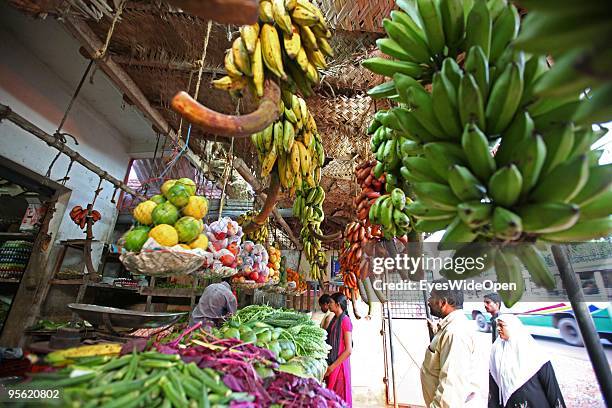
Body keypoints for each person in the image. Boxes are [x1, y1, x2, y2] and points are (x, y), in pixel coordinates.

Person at [421, 281, 483, 407]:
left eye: (432, 297)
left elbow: (451, 386)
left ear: (443, 302)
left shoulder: (455, 332)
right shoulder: (450, 328)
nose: (428, 301)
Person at [489, 314, 566, 408]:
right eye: (497, 325)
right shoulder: (496, 350)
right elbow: (494, 385)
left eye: (501, 325)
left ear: (514, 328)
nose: (498, 328)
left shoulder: (534, 353)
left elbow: (551, 387)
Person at [324, 292, 353, 407]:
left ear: (338, 304)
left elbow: (349, 350)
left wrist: (332, 367)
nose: (328, 304)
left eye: (330, 302)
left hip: (339, 366)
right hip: (333, 363)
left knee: (340, 400)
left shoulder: (345, 321)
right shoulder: (335, 319)